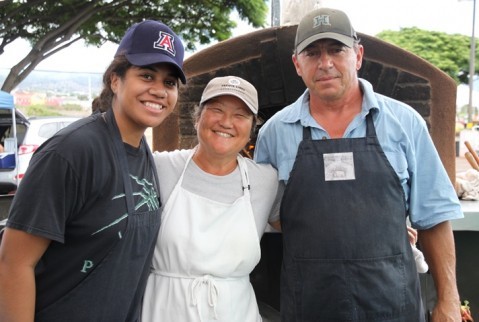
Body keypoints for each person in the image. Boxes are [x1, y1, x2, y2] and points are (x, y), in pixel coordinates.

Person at [254, 7, 463, 322]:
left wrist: (448, 301)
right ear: (297, 64)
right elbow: (268, 215)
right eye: (312, 53)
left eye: (336, 50)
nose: (325, 63)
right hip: (310, 305)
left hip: (393, 303)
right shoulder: (274, 134)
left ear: (358, 55)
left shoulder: (404, 123)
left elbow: (434, 219)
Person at [0, 19, 186, 322]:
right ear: (115, 80)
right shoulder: (70, 151)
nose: (159, 90)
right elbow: (13, 264)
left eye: (169, 83)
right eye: (147, 75)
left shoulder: (142, 152)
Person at [141, 76, 280, 321]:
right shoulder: (159, 168)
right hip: (164, 309)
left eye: (240, 115)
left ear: (251, 128)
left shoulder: (266, 181)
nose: (226, 122)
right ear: (197, 118)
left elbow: (297, 233)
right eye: (216, 110)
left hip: (236, 313)